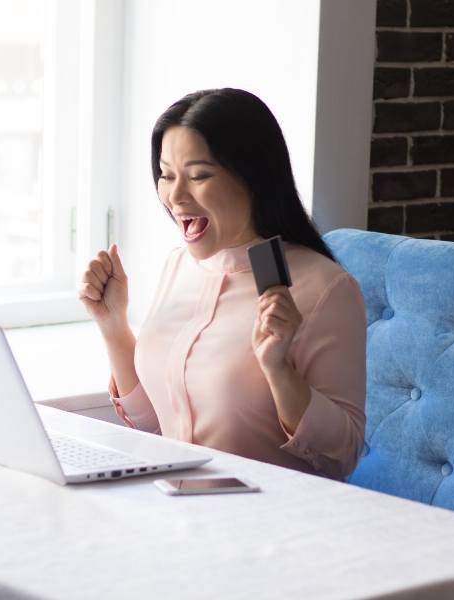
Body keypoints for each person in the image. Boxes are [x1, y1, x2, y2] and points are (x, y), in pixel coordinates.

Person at [78, 88, 366, 480]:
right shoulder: (178, 267)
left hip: (270, 522)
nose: (174, 196)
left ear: (254, 178)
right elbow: (155, 428)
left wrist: (280, 372)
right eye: (166, 176)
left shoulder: (326, 288)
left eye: (198, 176)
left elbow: (343, 457)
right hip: (178, 512)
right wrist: (113, 326)